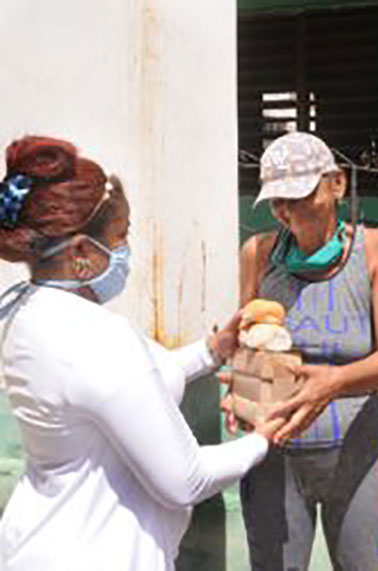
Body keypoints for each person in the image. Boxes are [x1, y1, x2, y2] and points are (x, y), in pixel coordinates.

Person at [0, 136, 282, 571]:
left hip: (35, 541)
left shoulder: (25, 308)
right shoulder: (95, 338)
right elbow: (187, 480)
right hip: (98, 555)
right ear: (80, 253)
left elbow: (133, 383)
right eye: (120, 236)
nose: (127, 250)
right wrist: (264, 437)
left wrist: (213, 350)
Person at [236, 131, 378, 570]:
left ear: (337, 184)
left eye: (298, 196)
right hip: (274, 457)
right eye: (276, 200)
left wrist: (334, 382)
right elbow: (251, 343)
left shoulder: (376, 250)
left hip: (356, 454)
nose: (285, 211)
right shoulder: (258, 253)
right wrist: (244, 392)